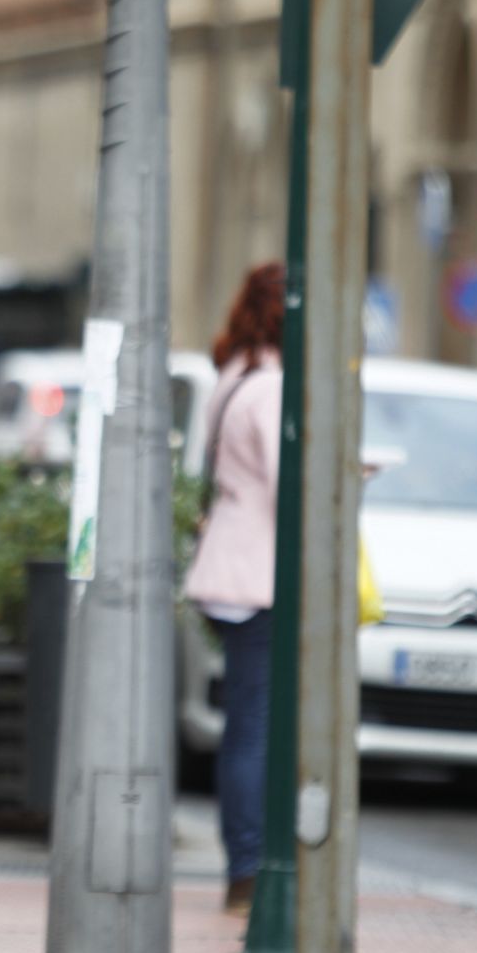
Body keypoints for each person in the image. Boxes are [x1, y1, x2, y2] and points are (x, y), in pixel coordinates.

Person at [183, 262, 286, 915]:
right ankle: (249, 867)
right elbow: (289, 482)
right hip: (259, 571)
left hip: (226, 566)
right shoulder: (272, 384)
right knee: (255, 724)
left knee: (246, 720)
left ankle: (246, 859)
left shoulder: (233, 373)